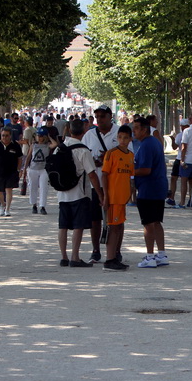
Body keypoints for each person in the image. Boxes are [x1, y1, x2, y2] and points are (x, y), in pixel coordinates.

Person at [57, 119, 102, 267]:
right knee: (78, 225)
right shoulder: (83, 150)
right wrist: (100, 194)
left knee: (63, 226)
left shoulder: (60, 148)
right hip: (80, 193)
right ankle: (74, 257)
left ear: (70, 130)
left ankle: (63, 256)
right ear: (83, 132)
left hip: (62, 194)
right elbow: (92, 175)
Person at [131, 117, 169, 268]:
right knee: (157, 221)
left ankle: (150, 256)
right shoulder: (154, 142)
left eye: (136, 128)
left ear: (144, 129)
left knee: (148, 223)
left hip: (149, 188)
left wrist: (129, 172)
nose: (134, 131)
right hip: (158, 187)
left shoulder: (146, 145)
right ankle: (161, 254)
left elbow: (146, 169)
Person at [81, 104, 117, 263]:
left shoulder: (119, 133)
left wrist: (107, 158)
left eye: (103, 116)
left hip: (115, 183)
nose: (100, 120)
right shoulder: (89, 135)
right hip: (95, 183)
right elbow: (81, 155)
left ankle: (116, 250)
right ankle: (96, 250)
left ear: (110, 117)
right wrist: (92, 162)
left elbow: (128, 155)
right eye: (97, 117)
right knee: (95, 218)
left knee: (115, 219)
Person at [101, 124, 135, 271]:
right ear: (117, 138)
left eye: (126, 138)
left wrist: (130, 194)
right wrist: (105, 196)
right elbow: (104, 174)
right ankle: (109, 259)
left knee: (119, 226)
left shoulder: (130, 155)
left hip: (122, 198)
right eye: (120, 137)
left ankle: (115, 256)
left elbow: (130, 177)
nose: (123, 140)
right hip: (113, 197)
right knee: (113, 228)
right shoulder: (111, 154)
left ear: (130, 139)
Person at [0, 126, 23, 217]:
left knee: (8, 190)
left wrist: (19, 170)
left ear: (10, 136)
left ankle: (7, 209)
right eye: (3, 135)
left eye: (7, 136)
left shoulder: (15, 145)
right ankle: (2, 204)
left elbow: (20, 159)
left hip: (11, 172)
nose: (4, 137)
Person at [25, 127, 51, 215]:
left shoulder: (47, 145)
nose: (39, 138)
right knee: (33, 187)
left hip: (43, 169)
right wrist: (24, 169)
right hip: (33, 168)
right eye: (38, 136)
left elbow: (55, 144)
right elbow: (29, 157)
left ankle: (42, 206)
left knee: (44, 187)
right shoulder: (33, 145)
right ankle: (34, 205)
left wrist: (49, 137)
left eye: (42, 136)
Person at [166, 119, 189, 207]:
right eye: (181, 126)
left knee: (185, 180)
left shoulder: (188, 134)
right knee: (173, 178)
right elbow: (175, 147)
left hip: (186, 159)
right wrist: (172, 139)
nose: (182, 127)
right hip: (179, 158)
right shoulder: (180, 135)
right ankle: (172, 197)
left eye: (184, 126)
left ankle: (186, 200)